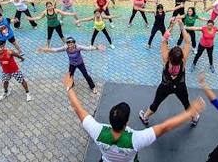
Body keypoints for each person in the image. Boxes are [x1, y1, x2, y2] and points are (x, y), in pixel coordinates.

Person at [62, 72, 205, 162]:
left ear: (110, 121)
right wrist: (189, 112)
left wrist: (69, 87)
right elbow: (165, 127)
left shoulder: (98, 131)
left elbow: (79, 110)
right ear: (127, 122)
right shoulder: (135, 139)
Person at [139, 18, 201, 126]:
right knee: (186, 104)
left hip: (165, 86)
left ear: (170, 55)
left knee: (156, 103)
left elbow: (164, 39)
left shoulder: (165, 58)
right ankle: (194, 118)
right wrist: (181, 25)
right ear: (181, 56)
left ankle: (145, 117)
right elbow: (187, 41)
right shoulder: (184, 60)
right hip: (180, 86)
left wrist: (171, 26)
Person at [38, 37, 104, 94]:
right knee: (70, 75)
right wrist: (44, 49)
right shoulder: (66, 48)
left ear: (74, 43)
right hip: (72, 64)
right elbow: (55, 50)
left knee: (86, 75)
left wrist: (97, 47)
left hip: (80, 63)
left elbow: (88, 48)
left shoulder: (78, 47)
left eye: (71, 43)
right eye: (68, 44)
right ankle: (71, 84)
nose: (70, 45)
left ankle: (93, 87)